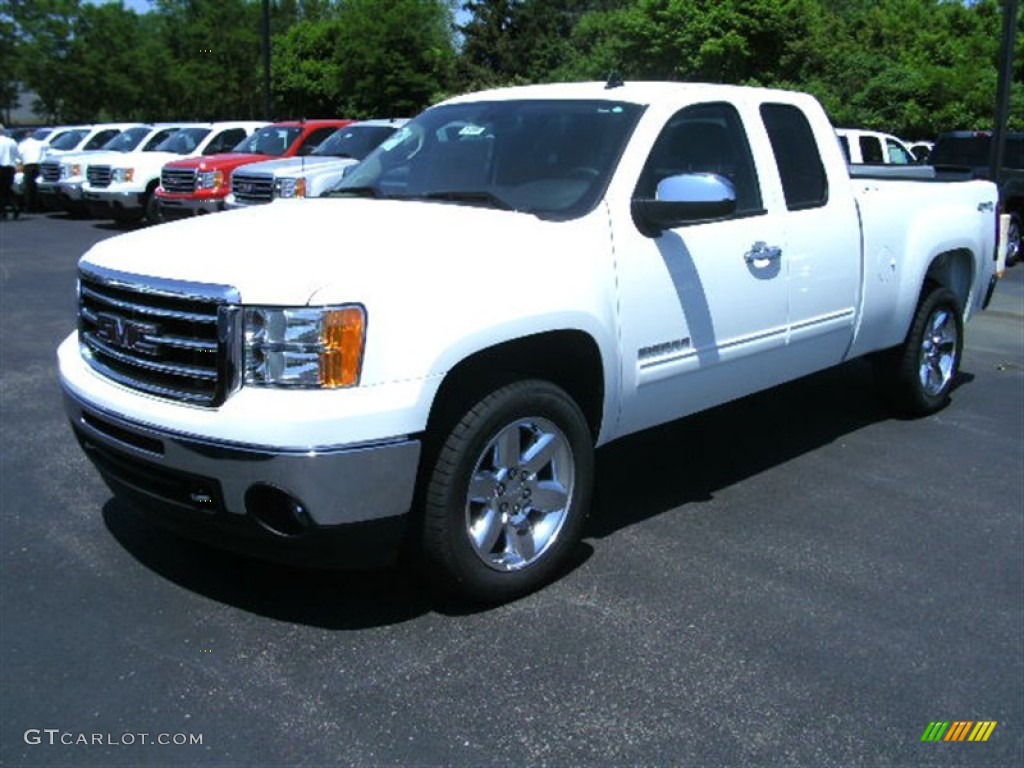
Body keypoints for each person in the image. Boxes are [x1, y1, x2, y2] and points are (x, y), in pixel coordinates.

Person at [18, 128, 45, 213]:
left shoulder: (22, 144)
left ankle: (29, 207)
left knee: (28, 187)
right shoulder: (39, 143)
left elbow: (19, 156)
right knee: (36, 186)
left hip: (28, 165)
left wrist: (20, 164)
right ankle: (37, 205)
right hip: (37, 165)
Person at [0, 127, 22, 219]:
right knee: (7, 188)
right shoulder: (12, 141)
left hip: (1, 167)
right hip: (10, 167)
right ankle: (15, 206)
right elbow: (17, 155)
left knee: (1, 190)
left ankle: (3, 211)